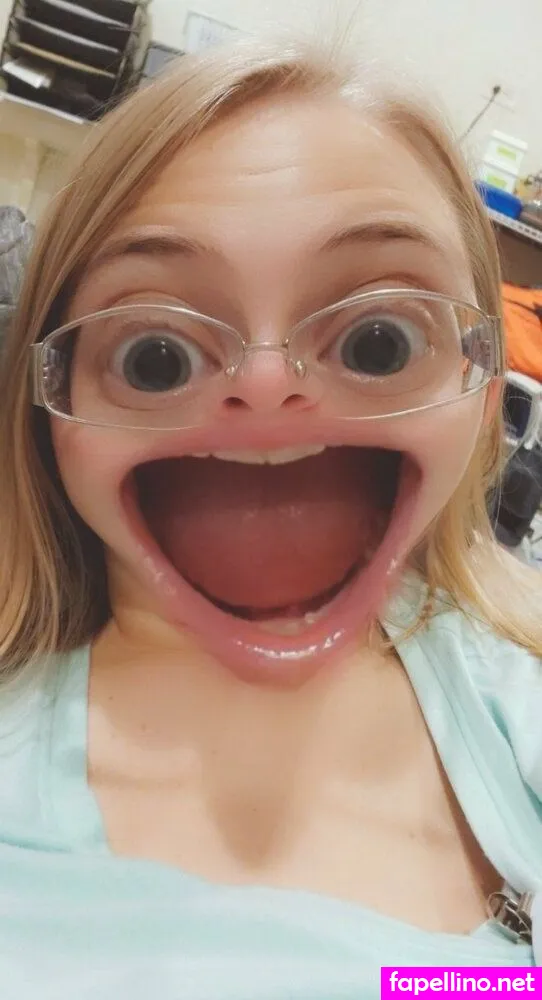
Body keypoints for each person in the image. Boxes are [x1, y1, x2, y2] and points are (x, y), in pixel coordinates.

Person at [0, 35, 541, 999]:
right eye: (156, 357)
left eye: (378, 342)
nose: (262, 385)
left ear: (484, 388)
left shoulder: (516, 691)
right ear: (50, 411)